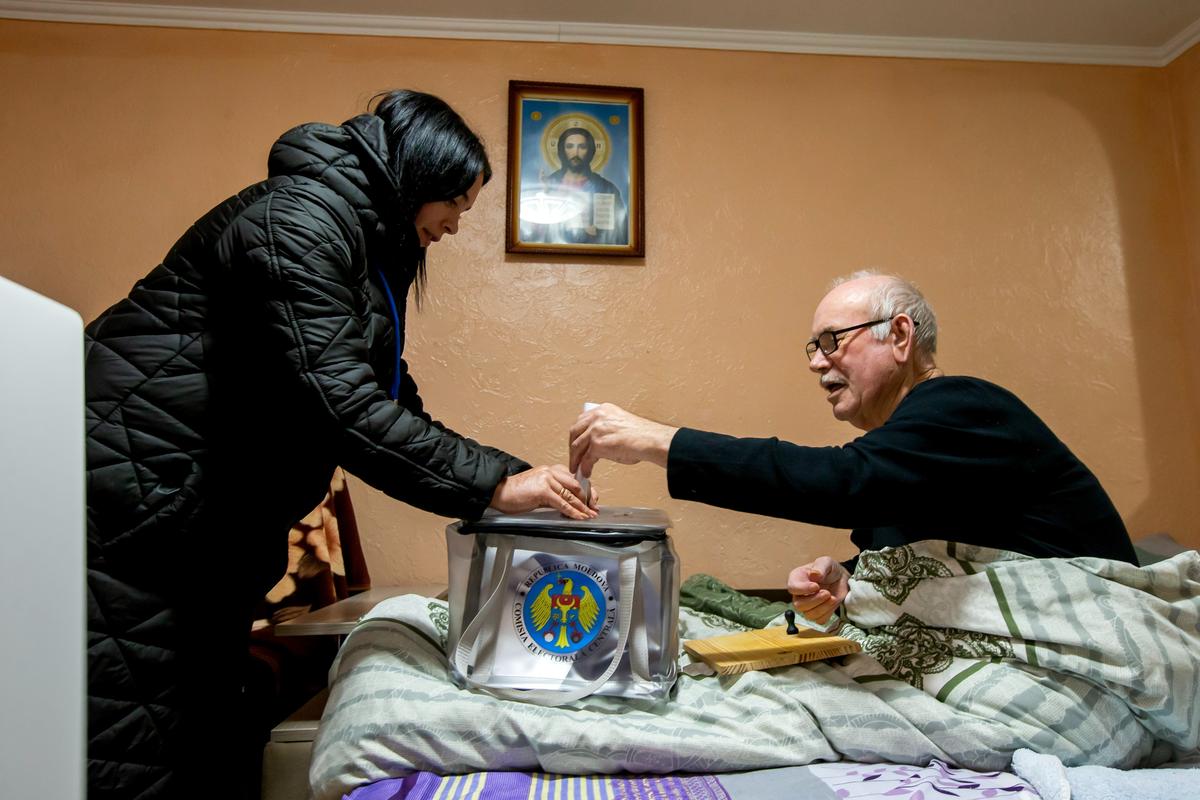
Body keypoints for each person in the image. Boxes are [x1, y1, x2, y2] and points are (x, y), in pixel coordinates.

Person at [85, 90, 596, 800]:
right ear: (419, 176)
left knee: (205, 727)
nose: (454, 226)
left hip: (186, 517)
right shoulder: (297, 220)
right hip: (137, 508)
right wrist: (496, 486)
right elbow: (344, 409)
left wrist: (505, 480)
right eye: (456, 204)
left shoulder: (357, 253)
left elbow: (390, 402)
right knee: (140, 742)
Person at [568, 271, 1137, 626]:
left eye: (832, 342)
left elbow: (844, 482)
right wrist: (845, 580)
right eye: (811, 348)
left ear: (900, 336)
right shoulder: (910, 455)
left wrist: (658, 440)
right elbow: (911, 550)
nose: (817, 363)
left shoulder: (962, 404)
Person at [530, 127, 628, 245]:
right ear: (562, 150)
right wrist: (544, 193)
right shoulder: (549, 185)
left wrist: (598, 231)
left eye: (582, 147)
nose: (575, 153)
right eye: (570, 146)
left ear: (590, 151)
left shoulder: (606, 188)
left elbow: (620, 233)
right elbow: (534, 233)